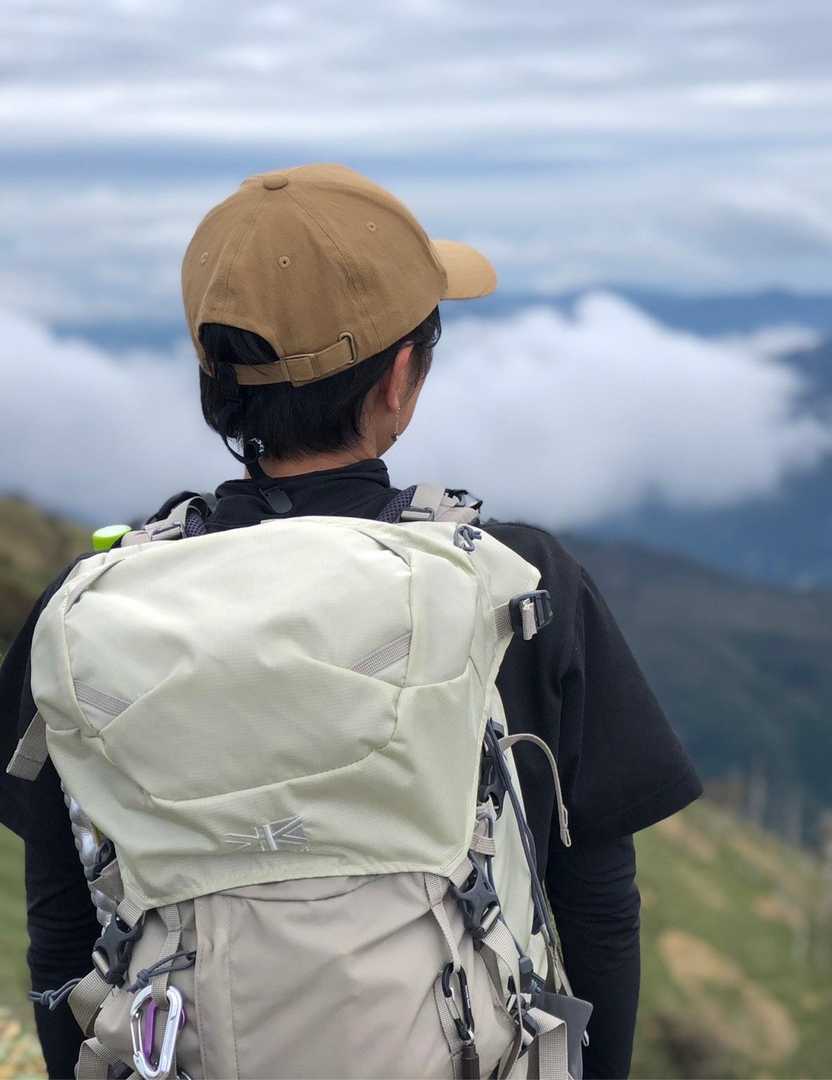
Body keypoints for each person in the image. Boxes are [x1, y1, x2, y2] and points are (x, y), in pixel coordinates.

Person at [0, 163, 702, 1079]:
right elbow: (601, 911)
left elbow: (62, 933)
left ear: (215, 380)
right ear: (399, 378)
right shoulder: (520, 588)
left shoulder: (85, 611)